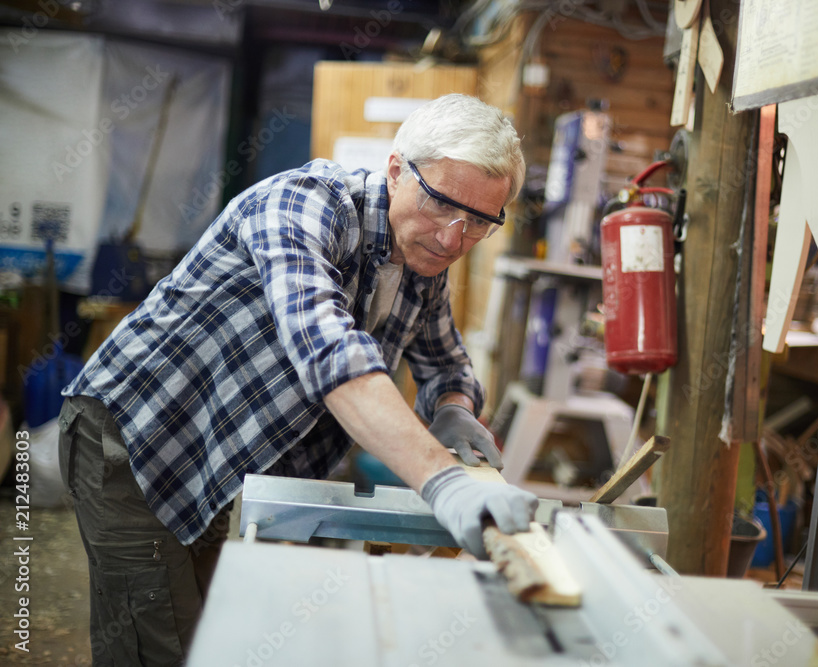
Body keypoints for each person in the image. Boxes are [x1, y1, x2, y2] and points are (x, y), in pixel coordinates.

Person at [58, 93, 538, 665]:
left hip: (219, 459)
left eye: (480, 223)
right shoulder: (304, 204)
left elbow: (447, 363)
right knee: (157, 647)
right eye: (440, 205)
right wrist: (442, 480)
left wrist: (455, 408)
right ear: (395, 170)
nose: (453, 240)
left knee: (204, 633)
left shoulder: (422, 260)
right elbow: (329, 351)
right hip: (134, 438)